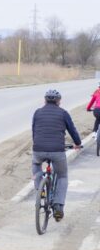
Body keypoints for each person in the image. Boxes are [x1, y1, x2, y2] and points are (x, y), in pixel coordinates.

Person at [32, 89, 83, 221]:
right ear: (59, 101)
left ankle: (40, 190)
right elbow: (72, 130)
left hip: (38, 149)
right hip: (57, 151)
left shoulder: (37, 113)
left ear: (44, 100)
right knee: (62, 176)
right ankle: (58, 206)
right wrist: (77, 143)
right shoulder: (63, 113)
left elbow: (34, 132)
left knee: (36, 165)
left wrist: (37, 144)